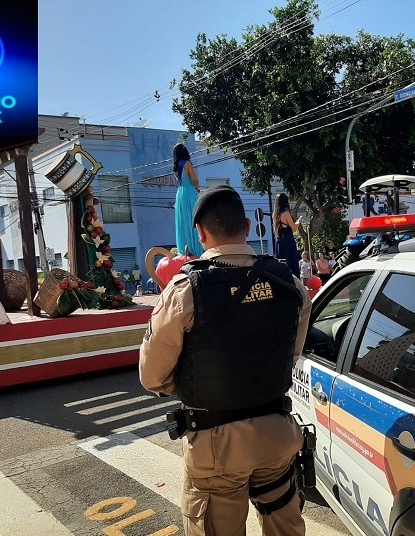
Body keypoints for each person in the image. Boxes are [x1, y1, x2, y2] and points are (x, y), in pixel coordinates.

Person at [139, 185, 311, 536]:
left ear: (200, 233)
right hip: (277, 434)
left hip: (215, 446)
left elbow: (152, 376)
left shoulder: (185, 290)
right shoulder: (291, 283)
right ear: (248, 227)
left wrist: (195, 384)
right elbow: (291, 353)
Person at [173, 142, 205, 257]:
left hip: (180, 194)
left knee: (183, 221)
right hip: (189, 192)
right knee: (193, 219)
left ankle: (184, 249)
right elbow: (195, 180)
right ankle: (196, 249)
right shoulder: (187, 163)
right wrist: (197, 189)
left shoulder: (176, 167)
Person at [272, 193, 302, 276]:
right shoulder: (286, 213)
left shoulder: (275, 215)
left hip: (279, 242)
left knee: (282, 265)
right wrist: (298, 222)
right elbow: (294, 228)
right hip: (288, 240)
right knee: (292, 263)